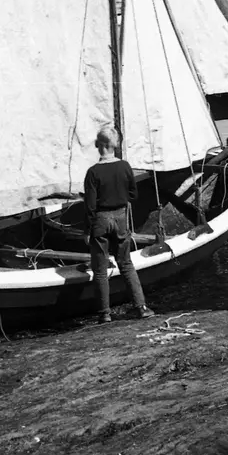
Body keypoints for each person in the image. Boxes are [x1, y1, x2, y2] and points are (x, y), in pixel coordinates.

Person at [83, 125, 154, 324]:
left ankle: (105, 314)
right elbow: (134, 194)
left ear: (99, 145)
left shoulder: (93, 172)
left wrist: (87, 230)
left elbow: (89, 206)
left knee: (100, 270)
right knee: (126, 264)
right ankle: (141, 308)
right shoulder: (125, 166)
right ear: (114, 145)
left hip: (101, 220)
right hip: (121, 217)